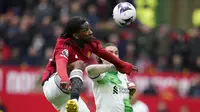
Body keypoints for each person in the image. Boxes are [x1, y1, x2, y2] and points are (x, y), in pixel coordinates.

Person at [42, 17, 138, 112]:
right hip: (54, 84)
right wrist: (63, 78)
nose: (90, 32)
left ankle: (74, 100)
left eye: (89, 29)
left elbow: (103, 53)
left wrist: (124, 65)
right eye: (86, 30)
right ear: (76, 35)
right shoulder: (64, 44)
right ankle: (74, 99)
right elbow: (61, 62)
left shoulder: (90, 42)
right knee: (79, 64)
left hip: (65, 95)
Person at [85, 43, 137, 112]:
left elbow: (119, 99)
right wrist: (114, 66)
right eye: (110, 53)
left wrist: (129, 94)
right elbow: (89, 70)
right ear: (101, 57)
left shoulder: (122, 75)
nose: (114, 55)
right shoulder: (100, 73)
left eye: (116, 53)